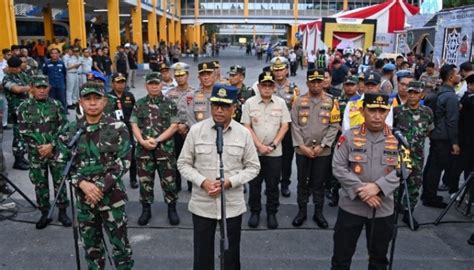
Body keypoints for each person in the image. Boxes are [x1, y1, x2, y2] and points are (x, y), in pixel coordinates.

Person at [177, 84, 260, 270]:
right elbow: (183, 164)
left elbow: (253, 167)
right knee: (202, 257)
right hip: (202, 204)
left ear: (234, 108)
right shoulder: (196, 130)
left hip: (231, 205)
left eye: (224, 106)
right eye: (215, 105)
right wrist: (203, 182)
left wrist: (230, 182)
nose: (219, 110)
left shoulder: (244, 134)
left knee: (231, 256)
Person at [57, 82, 134, 269]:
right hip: (84, 202)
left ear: (104, 101)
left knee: (121, 248)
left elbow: (124, 161)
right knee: (92, 249)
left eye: (97, 98)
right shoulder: (70, 130)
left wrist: (99, 186)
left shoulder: (117, 127)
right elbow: (61, 163)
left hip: (112, 199)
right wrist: (82, 183)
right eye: (87, 99)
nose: (92, 103)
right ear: (80, 102)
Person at [331, 93, 399, 270]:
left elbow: (404, 170)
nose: (377, 116)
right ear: (362, 111)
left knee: (378, 259)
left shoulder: (397, 138)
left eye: (382, 111)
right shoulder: (349, 136)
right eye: (372, 110)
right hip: (351, 206)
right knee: (341, 257)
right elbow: (338, 167)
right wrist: (363, 191)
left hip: (382, 208)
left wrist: (378, 187)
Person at [17, 75, 71, 229]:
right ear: (32, 88)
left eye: (44, 87)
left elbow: (64, 127)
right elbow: (23, 131)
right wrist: (40, 147)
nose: (41, 90)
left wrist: (51, 145)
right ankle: (44, 212)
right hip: (36, 153)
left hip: (55, 151)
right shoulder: (24, 107)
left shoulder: (56, 104)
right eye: (38, 87)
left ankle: (62, 212)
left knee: (59, 181)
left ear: (49, 88)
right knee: (40, 184)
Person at [291, 69, 340, 228]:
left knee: (319, 183)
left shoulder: (332, 101)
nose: (316, 85)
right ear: (307, 83)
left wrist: (323, 145)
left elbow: (334, 126)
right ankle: (301, 212)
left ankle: (319, 213)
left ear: (323, 83)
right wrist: (302, 146)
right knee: (302, 182)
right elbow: (294, 125)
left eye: (319, 81)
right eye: (313, 82)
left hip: (322, 151)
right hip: (302, 150)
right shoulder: (298, 101)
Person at [242, 71, 290, 229]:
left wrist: (274, 144)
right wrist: (260, 146)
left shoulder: (281, 103)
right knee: (254, 185)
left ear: (274, 87)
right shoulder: (250, 103)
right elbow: (247, 126)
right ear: (259, 86)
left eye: (270, 85)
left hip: (275, 152)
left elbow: (285, 125)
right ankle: (255, 212)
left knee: (272, 185)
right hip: (255, 152)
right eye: (264, 85)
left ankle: (271, 213)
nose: (267, 88)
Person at [130, 72, 180, 226]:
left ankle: (172, 209)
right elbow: (134, 124)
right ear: (146, 86)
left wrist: (157, 140)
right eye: (151, 84)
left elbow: (174, 126)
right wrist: (142, 141)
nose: (154, 86)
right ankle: (146, 210)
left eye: (156, 84)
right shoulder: (139, 104)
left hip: (164, 150)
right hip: (144, 151)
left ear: (161, 85)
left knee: (169, 182)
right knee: (145, 182)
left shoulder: (170, 103)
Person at [393, 81, 434, 230]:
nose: (412, 96)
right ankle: (392, 210)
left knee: (414, 184)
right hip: (400, 154)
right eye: (410, 92)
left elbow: (429, 131)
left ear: (421, 95)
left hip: (417, 154)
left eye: (416, 93)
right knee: (396, 183)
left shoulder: (427, 112)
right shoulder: (398, 111)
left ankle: (408, 212)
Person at [422, 64, 461, 208]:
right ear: (450, 77)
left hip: (436, 134)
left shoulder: (440, 92)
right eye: (456, 73)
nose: (459, 76)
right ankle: (430, 197)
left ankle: (427, 194)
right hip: (444, 137)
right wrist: (455, 142)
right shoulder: (450, 96)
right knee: (436, 168)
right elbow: (452, 121)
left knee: (432, 166)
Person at [271, 56, 300, 197]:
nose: (278, 73)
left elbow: (297, 109)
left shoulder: (293, 88)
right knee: (271, 158)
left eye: (281, 69)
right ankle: (272, 183)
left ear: (287, 70)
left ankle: (285, 184)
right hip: (271, 128)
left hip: (287, 128)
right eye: (276, 70)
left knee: (287, 158)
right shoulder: (267, 85)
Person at [104, 73, 138, 189]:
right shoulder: (106, 98)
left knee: (132, 155)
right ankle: (112, 180)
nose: (121, 84)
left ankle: (133, 179)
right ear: (112, 83)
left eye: (122, 82)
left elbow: (135, 113)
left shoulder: (129, 96)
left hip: (127, 130)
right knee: (112, 157)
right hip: (112, 131)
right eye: (118, 82)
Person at [168, 62, 195, 192]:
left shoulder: (194, 92)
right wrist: (178, 125)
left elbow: (197, 113)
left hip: (190, 130)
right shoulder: (170, 93)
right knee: (176, 158)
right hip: (175, 130)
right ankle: (177, 184)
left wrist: (187, 125)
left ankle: (192, 184)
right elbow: (167, 112)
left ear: (187, 75)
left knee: (191, 158)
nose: (179, 78)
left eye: (182, 75)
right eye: (177, 75)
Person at [2, 56, 30, 170]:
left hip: (25, 109)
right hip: (16, 110)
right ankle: (17, 160)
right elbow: (16, 89)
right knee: (18, 135)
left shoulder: (21, 74)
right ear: (11, 68)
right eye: (17, 68)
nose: (20, 69)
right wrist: (30, 87)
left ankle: (22, 156)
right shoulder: (6, 79)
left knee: (24, 134)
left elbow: (29, 81)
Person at [181, 61, 216, 126]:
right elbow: (190, 118)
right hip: (198, 133)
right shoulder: (191, 96)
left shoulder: (222, 95)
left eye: (209, 74)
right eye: (203, 75)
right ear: (199, 78)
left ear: (214, 75)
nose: (206, 78)